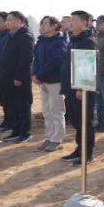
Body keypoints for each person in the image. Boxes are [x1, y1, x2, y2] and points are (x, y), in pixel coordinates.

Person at [60, 10, 98, 166]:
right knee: (76, 121)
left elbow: (88, 67)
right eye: (71, 20)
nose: (71, 23)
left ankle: (87, 154)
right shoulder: (73, 39)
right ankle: (79, 149)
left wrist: (82, 89)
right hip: (71, 87)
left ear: (85, 22)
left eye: (75, 20)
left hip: (82, 89)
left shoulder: (88, 41)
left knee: (85, 122)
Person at [31, 16, 68, 151]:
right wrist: (34, 74)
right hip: (42, 81)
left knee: (56, 111)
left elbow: (56, 62)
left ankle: (57, 139)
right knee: (47, 111)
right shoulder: (41, 41)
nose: (42, 26)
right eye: (41, 23)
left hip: (55, 81)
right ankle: (49, 137)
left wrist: (40, 75)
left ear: (54, 26)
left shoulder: (60, 41)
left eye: (45, 23)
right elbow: (36, 60)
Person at [0, 11, 35, 143]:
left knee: (22, 106)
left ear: (20, 21)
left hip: (19, 79)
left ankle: (25, 133)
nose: (7, 22)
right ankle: (16, 130)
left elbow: (25, 59)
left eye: (10, 20)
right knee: (13, 106)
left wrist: (19, 77)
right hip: (8, 78)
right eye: (7, 20)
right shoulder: (11, 36)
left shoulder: (25, 37)